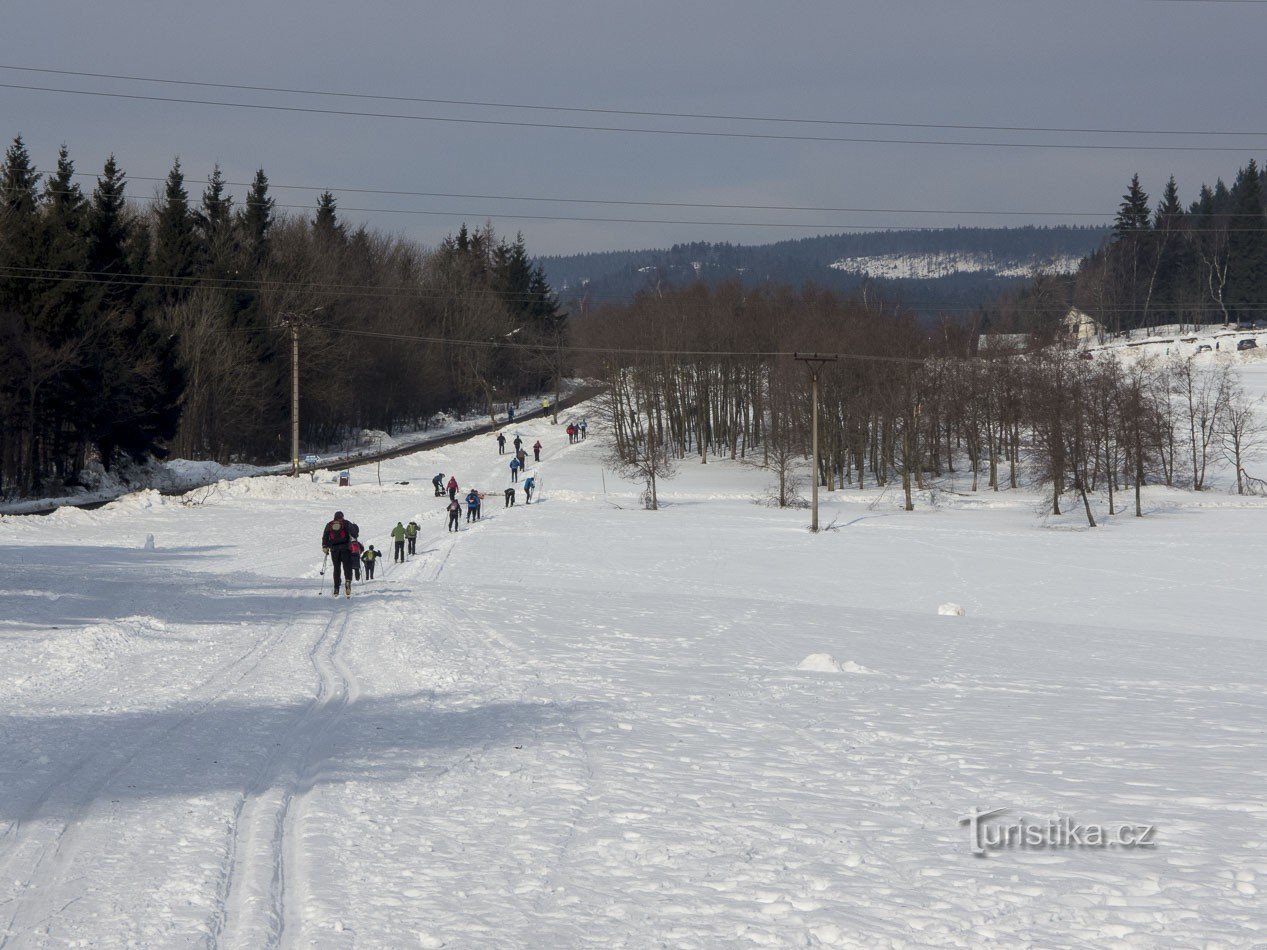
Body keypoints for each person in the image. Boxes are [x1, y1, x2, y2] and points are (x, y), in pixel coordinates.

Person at [321, 510, 360, 596]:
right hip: (346, 549)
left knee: (336, 568)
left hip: (334, 550)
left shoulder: (329, 524)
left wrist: (325, 546)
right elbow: (355, 534)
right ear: (342, 516)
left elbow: (325, 537)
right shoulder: (346, 523)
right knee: (347, 567)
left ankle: (336, 587)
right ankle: (348, 582)